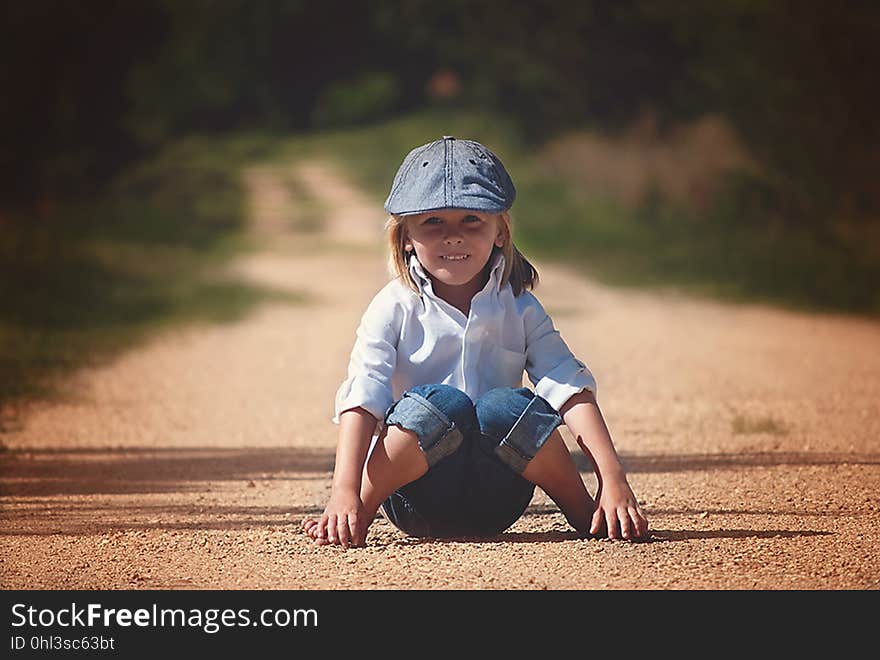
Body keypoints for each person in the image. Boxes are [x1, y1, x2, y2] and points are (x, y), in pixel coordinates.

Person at [302, 136, 648, 548]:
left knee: (504, 407)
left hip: (498, 495)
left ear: (500, 231)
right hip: (416, 497)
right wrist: (344, 491)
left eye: (472, 220)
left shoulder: (520, 307)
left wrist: (613, 478)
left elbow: (568, 387)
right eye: (433, 222)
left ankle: (585, 510)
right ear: (405, 237)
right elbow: (364, 394)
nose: (453, 237)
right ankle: (359, 511)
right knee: (443, 404)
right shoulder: (392, 306)